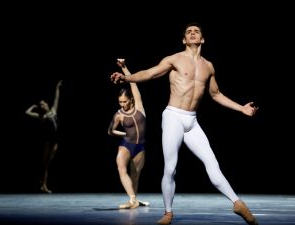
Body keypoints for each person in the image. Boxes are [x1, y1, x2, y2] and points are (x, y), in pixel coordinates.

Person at [110, 22, 259, 225]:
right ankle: (168, 213)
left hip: (192, 121)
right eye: (188, 31)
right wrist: (126, 77)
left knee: (212, 164)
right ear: (184, 39)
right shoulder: (175, 59)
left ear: (202, 39)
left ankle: (237, 203)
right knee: (171, 168)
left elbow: (216, 94)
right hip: (173, 117)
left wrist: (241, 108)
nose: (192, 33)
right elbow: (150, 73)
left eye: (196, 31)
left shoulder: (208, 66)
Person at [108, 59, 149, 209]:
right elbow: (110, 131)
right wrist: (123, 134)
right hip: (126, 145)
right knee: (121, 167)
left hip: (141, 147)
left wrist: (124, 67)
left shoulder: (139, 106)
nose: (122, 104)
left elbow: (133, 83)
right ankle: (132, 199)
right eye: (120, 102)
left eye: (124, 101)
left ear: (130, 99)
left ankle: (134, 201)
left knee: (135, 176)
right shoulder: (118, 115)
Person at [25, 80, 63, 193]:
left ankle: (42, 184)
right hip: (49, 141)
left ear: (46, 104)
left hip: (55, 141)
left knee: (47, 163)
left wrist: (57, 87)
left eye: (43, 103)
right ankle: (43, 185)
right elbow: (27, 112)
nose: (43, 105)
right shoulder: (42, 117)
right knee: (44, 164)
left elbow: (57, 98)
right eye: (41, 104)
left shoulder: (53, 111)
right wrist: (33, 106)